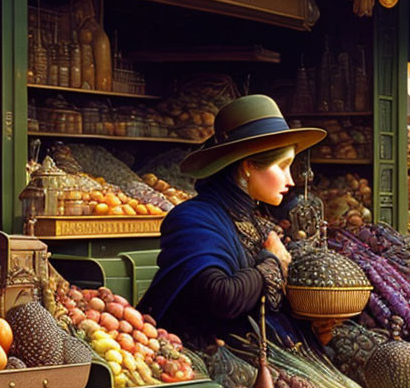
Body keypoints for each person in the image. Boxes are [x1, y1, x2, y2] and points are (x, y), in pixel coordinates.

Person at [137, 95, 325, 346]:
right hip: (202, 360)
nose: (290, 180)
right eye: (282, 166)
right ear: (248, 166)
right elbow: (222, 297)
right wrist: (272, 262)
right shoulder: (193, 218)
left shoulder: (253, 219)